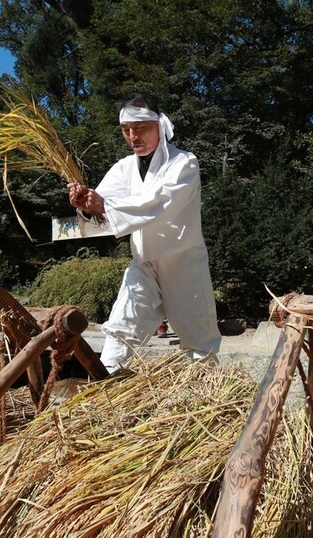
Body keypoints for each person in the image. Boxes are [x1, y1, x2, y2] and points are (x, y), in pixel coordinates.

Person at [68, 93, 222, 374]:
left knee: (199, 341)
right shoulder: (123, 168)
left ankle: (211, 397)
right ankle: (103, 389)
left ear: (159, 126)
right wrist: (86, 205)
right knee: (120, 327)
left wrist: (105, 204)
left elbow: (160, 202)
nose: (132, 137)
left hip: (183, 263)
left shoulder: (184, 163)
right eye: (126, 131)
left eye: (139, 129)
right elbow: (103, 210)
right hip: (143, 263)